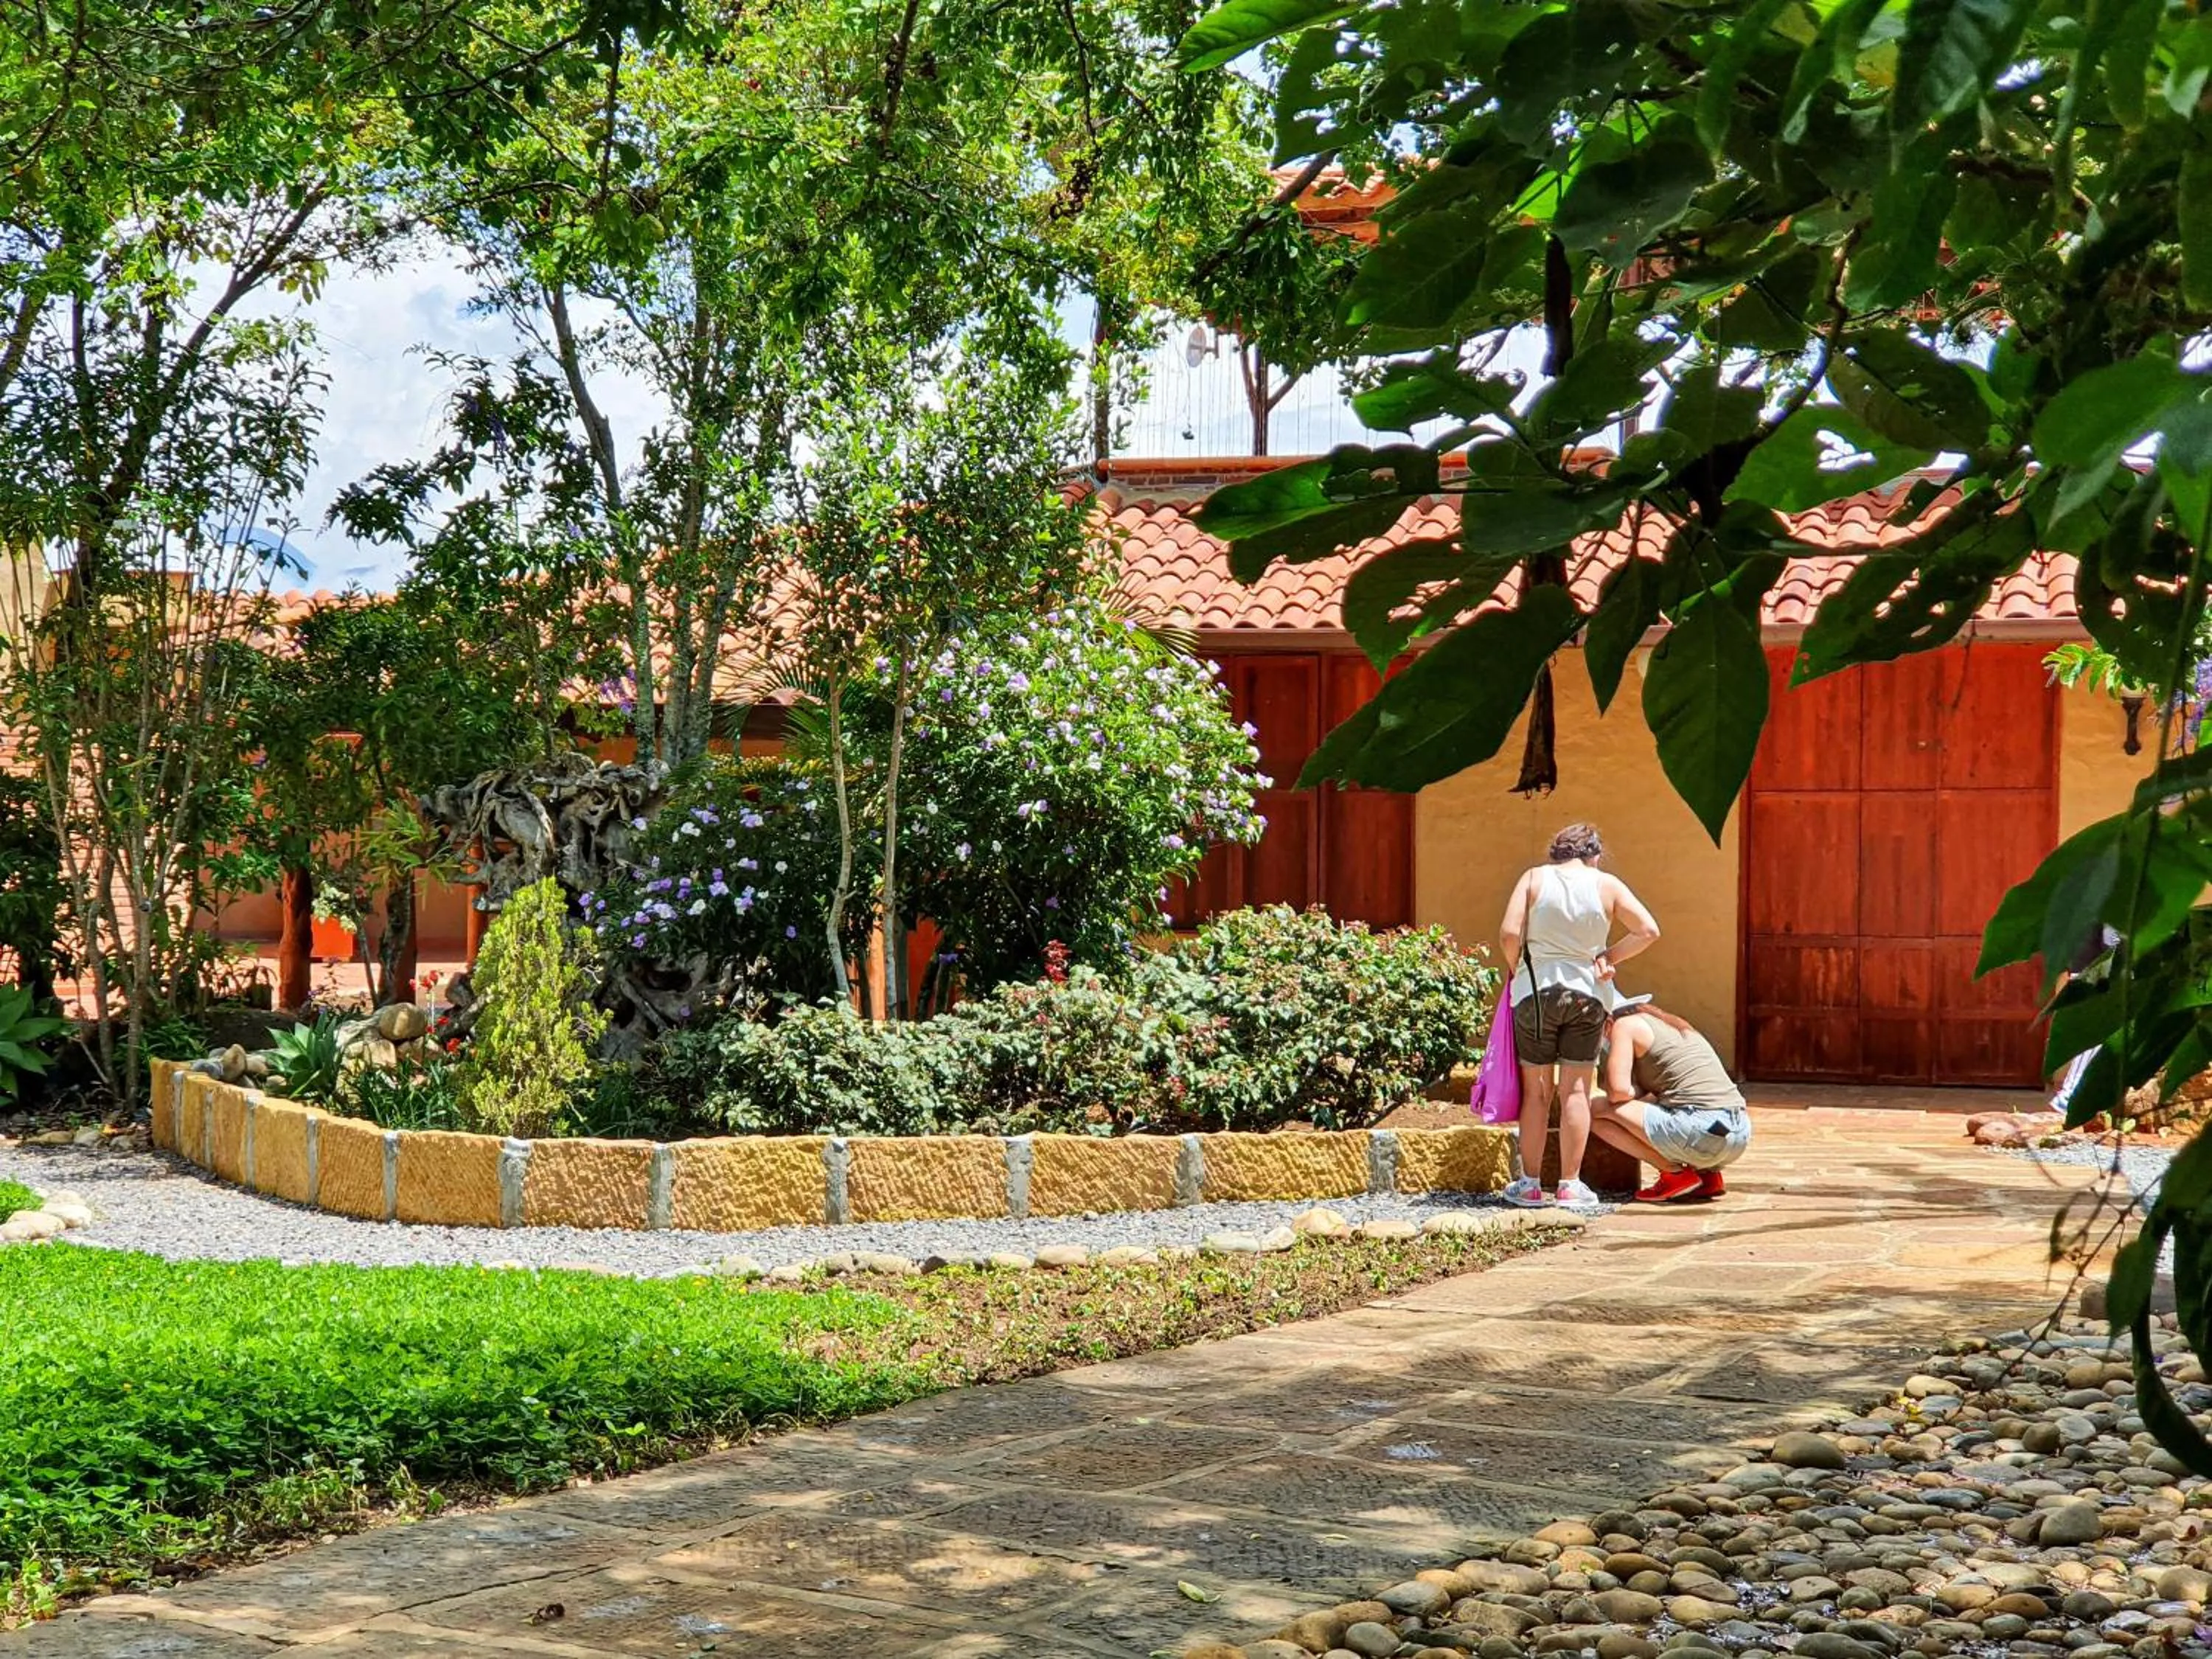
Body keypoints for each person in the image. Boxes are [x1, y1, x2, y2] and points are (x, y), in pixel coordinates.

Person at [1496, 823, 1660, 1210]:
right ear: (1595, 855)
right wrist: (1608, 957)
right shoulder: (1607, 884)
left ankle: (1530, 1185)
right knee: (1576, 1091)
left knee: (1537, 1092)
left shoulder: (1534, 878)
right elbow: (1648, 930)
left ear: (1556, 853)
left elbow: (1508, 933)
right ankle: (1570, 1184)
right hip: (1588, 995)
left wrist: (1519, 966)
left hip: (1535, 994)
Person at [1590, 994, 1750, 1202]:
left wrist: (1623, 1091)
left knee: (1591, 1110)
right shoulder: (1675, 1026)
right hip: (1739, 1132)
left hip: (1700, 1131)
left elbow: (1618, 1092)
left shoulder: (1623, 1026)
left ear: (1608, 1020)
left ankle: (1673, 1174)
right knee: (1659, 1107)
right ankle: (1708, 1175)